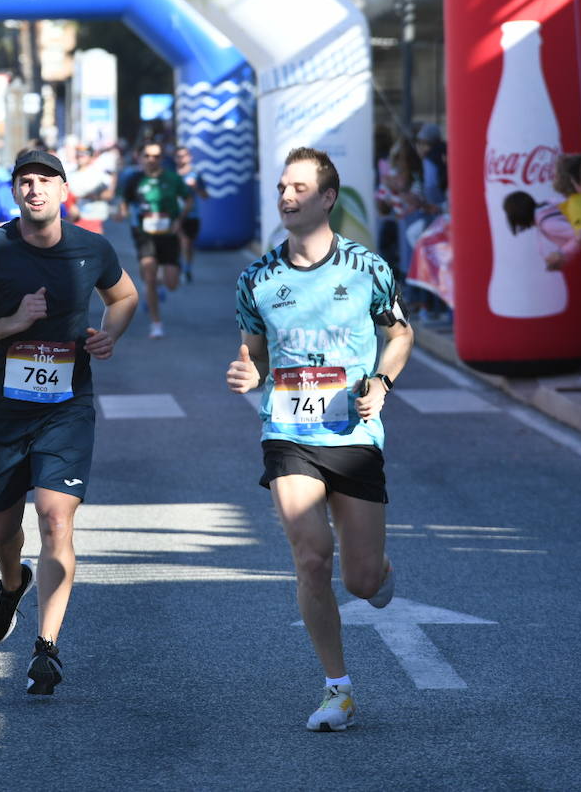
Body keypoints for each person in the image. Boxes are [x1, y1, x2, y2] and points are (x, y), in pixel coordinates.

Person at [0, 149, 139, 695]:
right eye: (25, 182)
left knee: (55, 520)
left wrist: (108, 332)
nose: (35, 190)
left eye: (45, 181)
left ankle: (46, 647)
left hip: (67, 408)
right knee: (4, 526)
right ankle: (11, 581)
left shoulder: (91, 248)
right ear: (14, 192)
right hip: (3, 410)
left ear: (64, 190)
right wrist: (12, 322)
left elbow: (125, 296)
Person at [225, 146, 413, 732]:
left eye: (300, 188)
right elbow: (252, 350)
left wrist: (382, 380)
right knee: (311, 557)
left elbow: (401, 333)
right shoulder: (257, 278)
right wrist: (247, 371)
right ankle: (338, 689)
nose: (287, 196)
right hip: (288, 432)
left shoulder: (367, 269)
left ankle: (377, 569)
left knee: (359, 579)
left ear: (327, 198)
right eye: (283, 187)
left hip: (355, 432)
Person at [121, 141, 192, 338]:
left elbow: (188, 199)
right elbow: (125, 202)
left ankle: (160, 280)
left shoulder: (172, 178)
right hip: (144, 234)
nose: (151, 160)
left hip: (168, 234)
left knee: (172, 283)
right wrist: (125, 215)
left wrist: (179, 220)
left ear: (162, 159)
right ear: (140, 157)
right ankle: (156, 323)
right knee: (149, 273)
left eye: (156, 156)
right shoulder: (134, 179)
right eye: (147, 156)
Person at [173, 145, 206, 282]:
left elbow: (205, 195)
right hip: (175, 215)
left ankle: (187, 267)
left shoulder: (196, 174)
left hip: (192, 215)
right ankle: (181, 268)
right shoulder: (171, 175)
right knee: (183, 242)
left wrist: (196, 187)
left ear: (189, 157)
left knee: (188, 245)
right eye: (179, 156)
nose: (181, 159)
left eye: (184, 156)